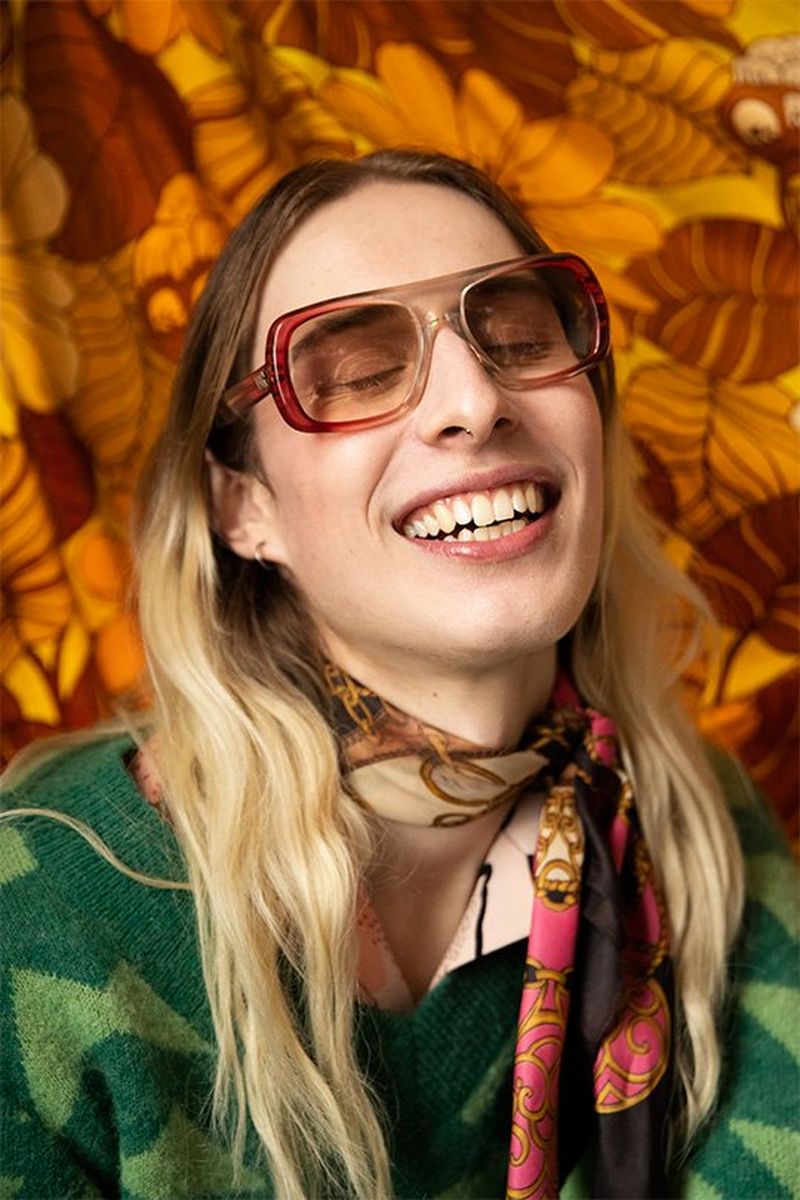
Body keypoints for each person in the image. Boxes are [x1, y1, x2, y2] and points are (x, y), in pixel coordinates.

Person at [0, 151, 796, 1200]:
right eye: (352, 368)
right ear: (245, 507)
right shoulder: (45, 915)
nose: (472, 398)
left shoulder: (697, 835)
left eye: (517, 335)